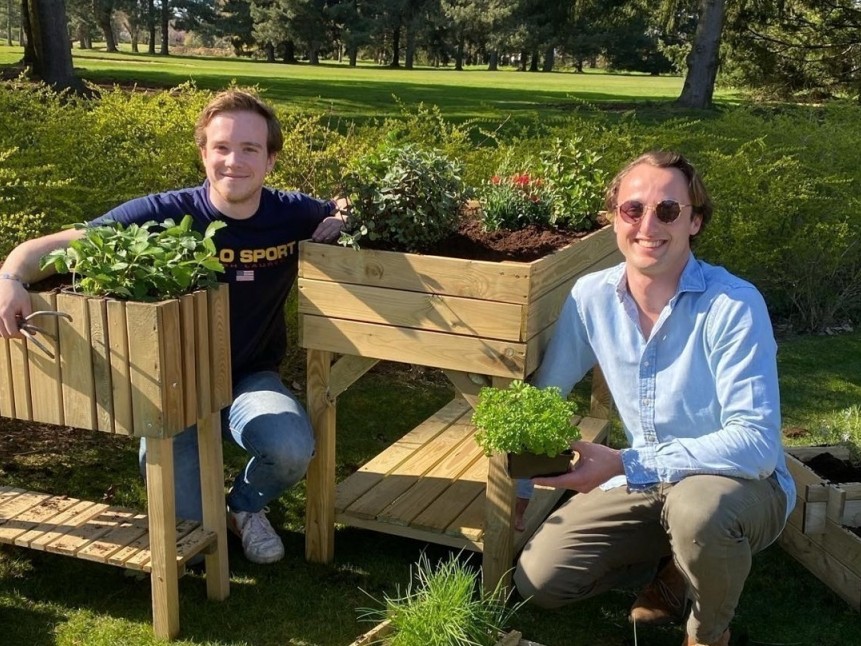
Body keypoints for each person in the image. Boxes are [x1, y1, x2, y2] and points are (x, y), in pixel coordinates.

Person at [0, 89, 349, 565]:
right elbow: (62, 244)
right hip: (174, 387)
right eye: (221, 147)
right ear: (203, 152)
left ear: (270, 159)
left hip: (250, 377)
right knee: (193, 541)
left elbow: (346, 205)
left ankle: (243, 508)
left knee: (289, 450)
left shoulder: (290, 213)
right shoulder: (161, 215)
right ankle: (212, 516)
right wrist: (10, 277)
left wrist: (342, 217)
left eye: (250, 149)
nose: (234, 161)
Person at [512, 151, 795, 646]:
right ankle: (679, 562)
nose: (648, 225)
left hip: (737, 487)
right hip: (647, 481)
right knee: (541, 581)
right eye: (632, 209)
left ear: (695, 222)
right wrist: (517, 488)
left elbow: (756, 446)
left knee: (699, 512)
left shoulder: (733, 304)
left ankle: (708, 633)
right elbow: (549, 394)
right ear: (613, 219)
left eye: (668, 211)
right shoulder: (590, 296)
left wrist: (624, 461)